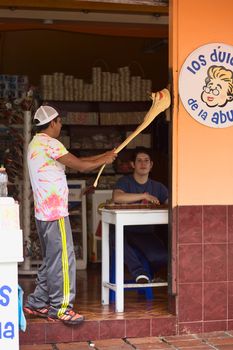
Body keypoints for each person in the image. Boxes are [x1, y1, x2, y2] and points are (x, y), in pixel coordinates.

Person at [24, 105, 117, 325]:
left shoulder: (35, 144)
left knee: (51, 260)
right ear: (53, 122)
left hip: (43, 213)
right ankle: (61, 308)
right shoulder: (51, 143)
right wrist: (103, 160)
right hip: (55, 213)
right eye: (59, 122)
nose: (61, 125)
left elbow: (75, 160)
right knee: (64, 261)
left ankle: (37, 302)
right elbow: (82, 166)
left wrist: (105, 156)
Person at [111, 146, 168, 284]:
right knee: (114, 236)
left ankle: (150, 274)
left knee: (162, 257)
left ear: (151, 164)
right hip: (126, 231)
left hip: (146, 233)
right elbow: (117, 197)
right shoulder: (125, 182)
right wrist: (143, 196)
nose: (143, 164)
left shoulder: (158, 187)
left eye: (146, 160)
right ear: (133, 164)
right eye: (139, 160)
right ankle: (140, 273)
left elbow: (169, 203)